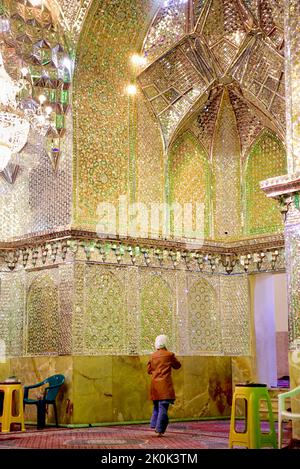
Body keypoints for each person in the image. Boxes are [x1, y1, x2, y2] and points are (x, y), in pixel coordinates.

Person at [147, 334, 181, 436]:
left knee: (156, 406)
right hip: (165, 385)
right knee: (163, 407)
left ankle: (154, 424)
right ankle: (159, 429)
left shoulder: (152, 355)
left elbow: (148, 370)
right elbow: (177, 366)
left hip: (155, 386)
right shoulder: (169, 355)